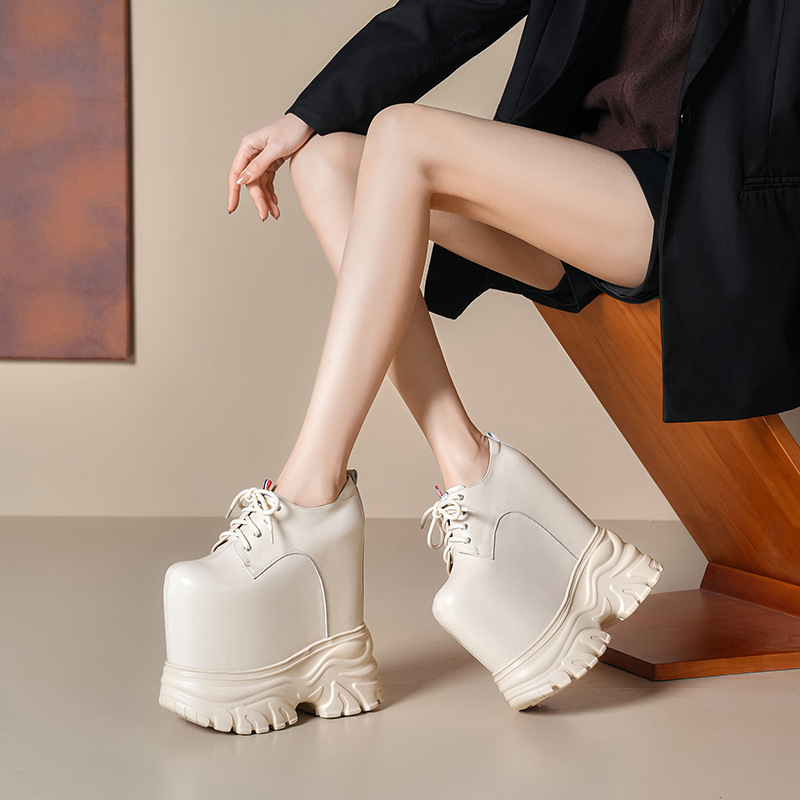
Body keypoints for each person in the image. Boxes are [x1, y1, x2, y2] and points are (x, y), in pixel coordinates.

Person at [159, 0, 800, 733]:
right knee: (328, 162)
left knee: (403, 136)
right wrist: (303, 117)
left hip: (702, 210)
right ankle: (469, 474)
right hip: (577, 177)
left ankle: (308, 504)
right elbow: (449, 10)